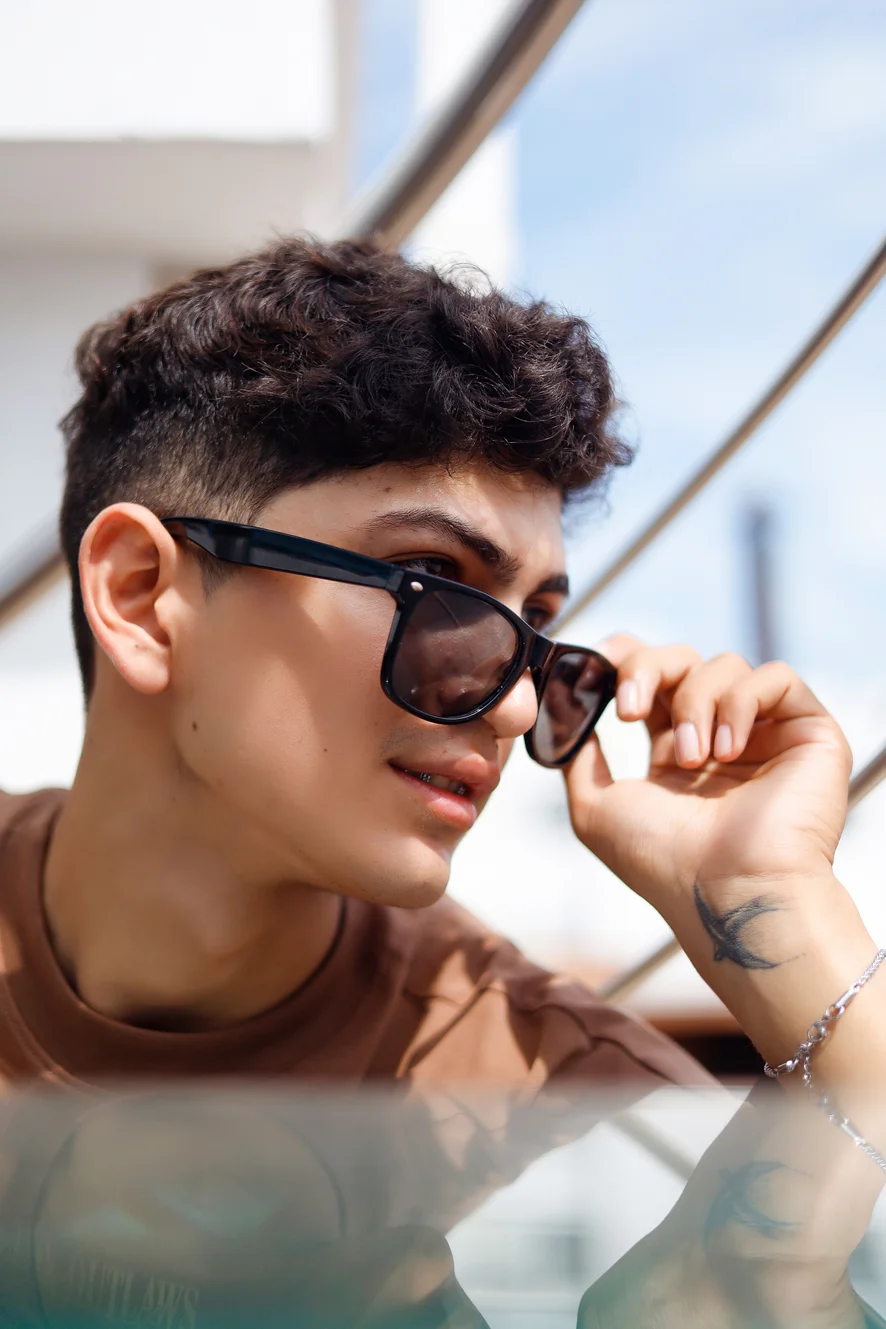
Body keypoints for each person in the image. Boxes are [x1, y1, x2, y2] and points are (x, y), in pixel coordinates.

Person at [0, 237, 880, 1095]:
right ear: (142, 595)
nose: (514, 708)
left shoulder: (557, 1105)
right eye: (435, 583)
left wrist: (769, 898)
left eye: (536, 626)